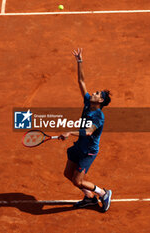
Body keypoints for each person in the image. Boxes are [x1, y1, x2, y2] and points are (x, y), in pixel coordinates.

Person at [59, 48, 112, 212]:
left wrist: (69, 132)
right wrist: (79, 61)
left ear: (101, 100)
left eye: (97, 93)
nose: (93, 93)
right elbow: (81, 82)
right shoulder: (89, 102)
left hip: (88, 151)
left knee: (78, 181)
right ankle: (89, 198)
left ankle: (103, 193)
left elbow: (88, 132)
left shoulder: (98, 116)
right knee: (68, 174)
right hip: (79, 146)